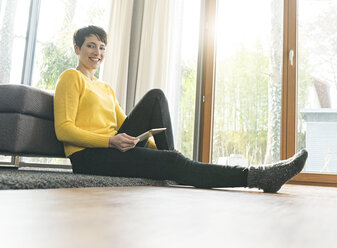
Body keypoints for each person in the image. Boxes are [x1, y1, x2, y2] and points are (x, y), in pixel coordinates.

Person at [54, 25, 308, 193]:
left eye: (101, 47)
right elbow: (64, 130)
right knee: (174, 162)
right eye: (90, 45)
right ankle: (258, 177)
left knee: (156, 97)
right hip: (89, 156)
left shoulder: (105, 88)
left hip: (114, 148)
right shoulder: (70, 77)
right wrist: (110, 141)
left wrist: (159, 150)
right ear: (77, 49)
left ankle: (170, 157)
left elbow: (125, 126)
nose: (97, 52)